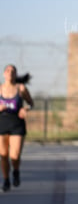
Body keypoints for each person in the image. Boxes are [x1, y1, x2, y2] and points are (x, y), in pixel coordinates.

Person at [0, 64, 33, 192]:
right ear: (4, 74)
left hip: (17, 123)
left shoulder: (21, 89)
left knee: (15, 154)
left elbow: (31, 103)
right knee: (3, 155)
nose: (10, 73)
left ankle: (16, 171)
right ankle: (6, 180)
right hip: (2, 122)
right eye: (7, 71)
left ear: (15, 74)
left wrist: (26, 109)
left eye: (13, 71)